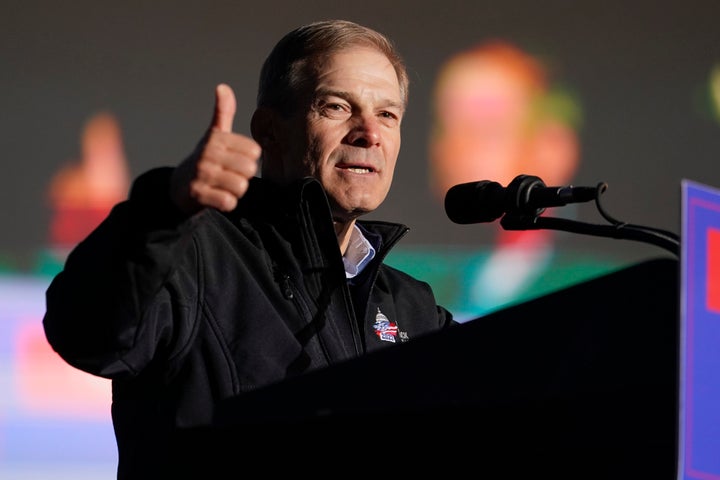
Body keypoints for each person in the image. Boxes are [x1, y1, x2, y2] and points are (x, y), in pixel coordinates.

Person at [42, 19, 457, 477]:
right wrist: (164, 207)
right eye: (337, 106)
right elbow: (87, 334)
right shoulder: (194, 254)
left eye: (387, 115)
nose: (369, 133)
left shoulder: (413, 308)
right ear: (270, 131)